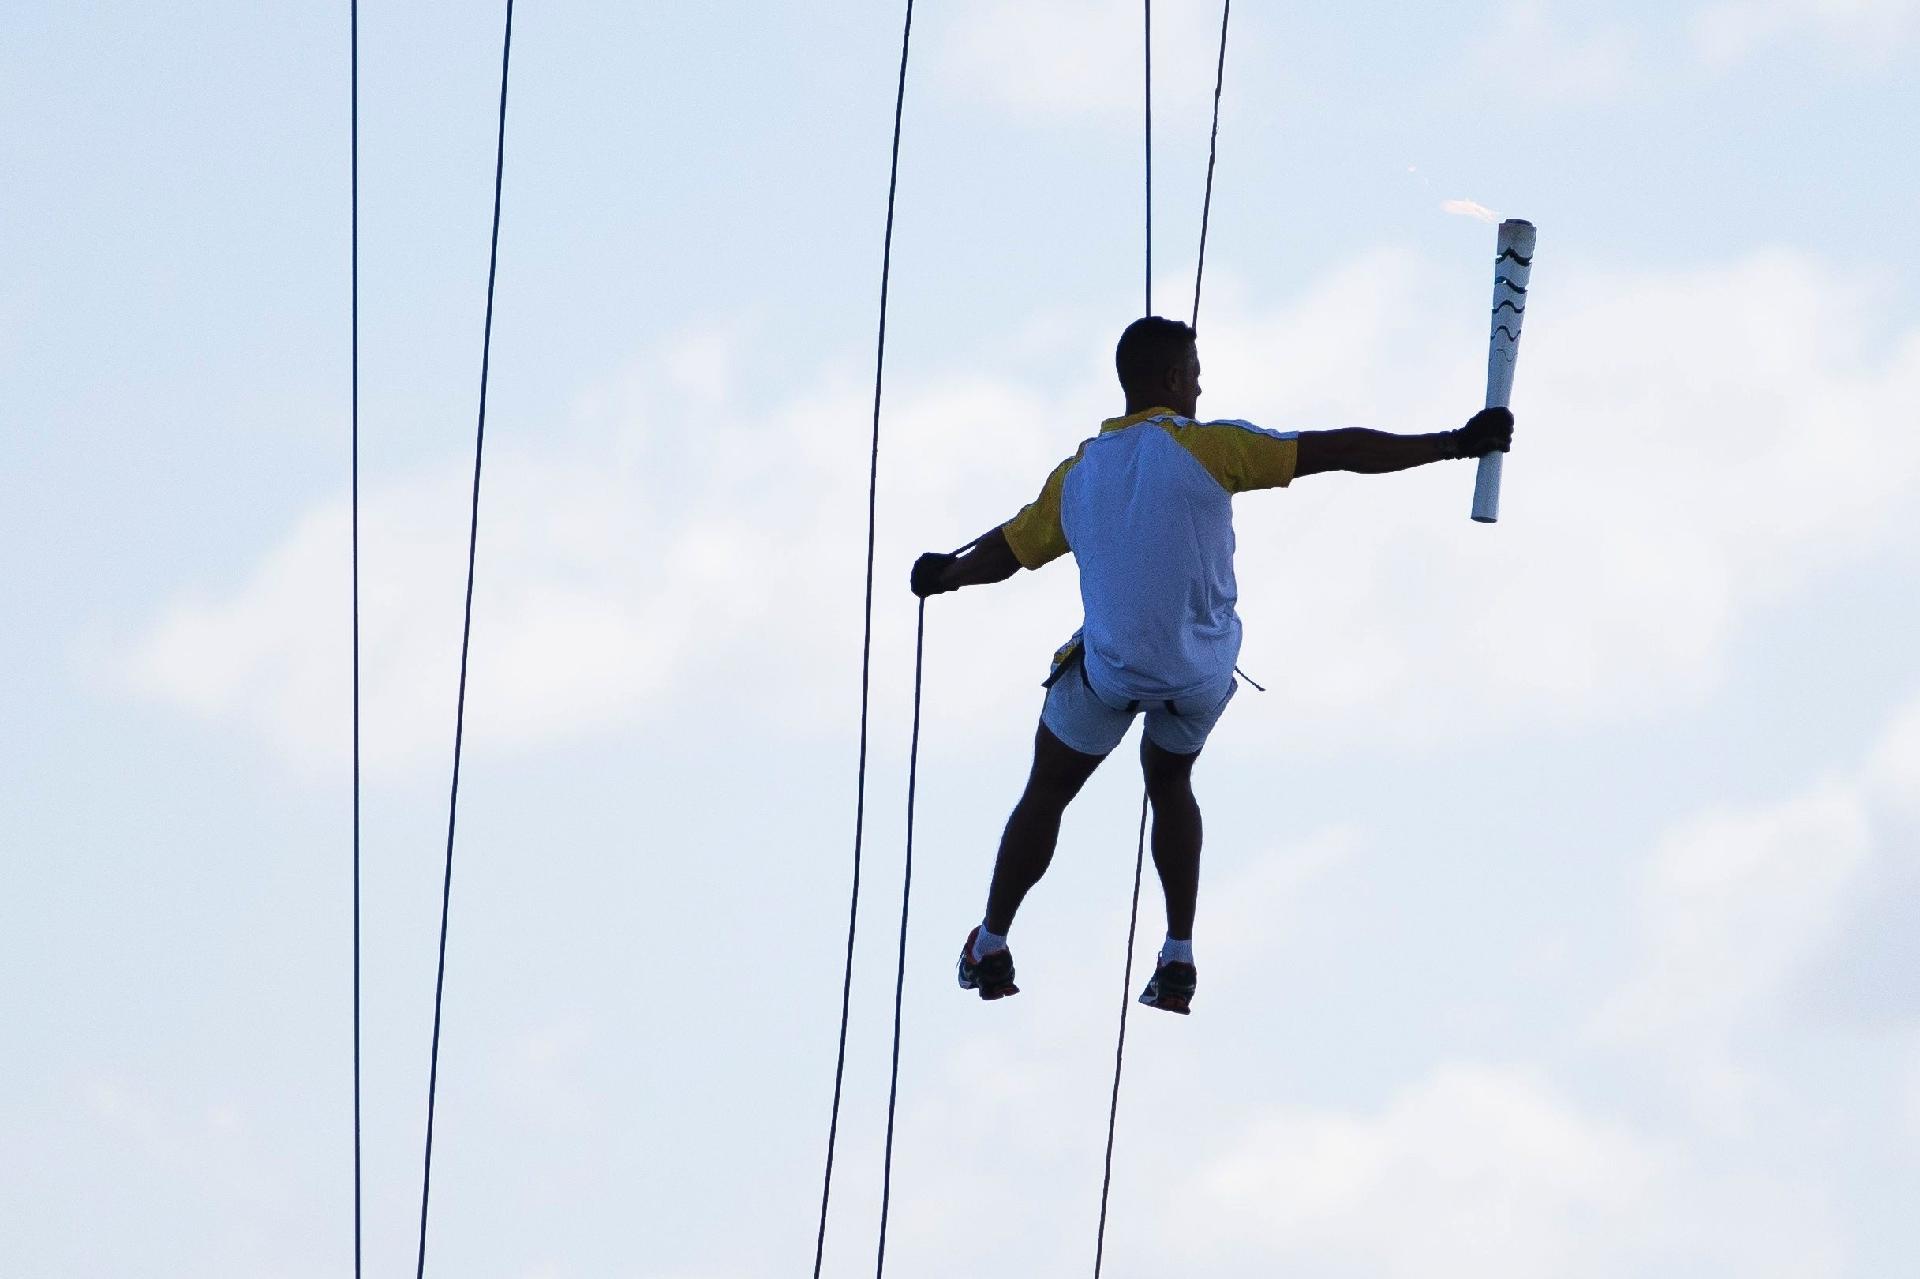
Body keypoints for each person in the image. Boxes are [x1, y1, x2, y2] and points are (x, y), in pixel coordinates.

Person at [910, 316, 1513, 1015]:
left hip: (1111, 672)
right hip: (1197, 678)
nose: (1201, 381)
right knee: (1170, 782)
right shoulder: (1212, 449)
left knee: (1048, 790)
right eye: (1195, 369)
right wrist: (1453, 445)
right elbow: (1337, 449)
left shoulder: (1078, 475)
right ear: (1170, 379)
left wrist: (947, 574)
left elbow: (1009, 550)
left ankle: (991, 940)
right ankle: (1178, 954)